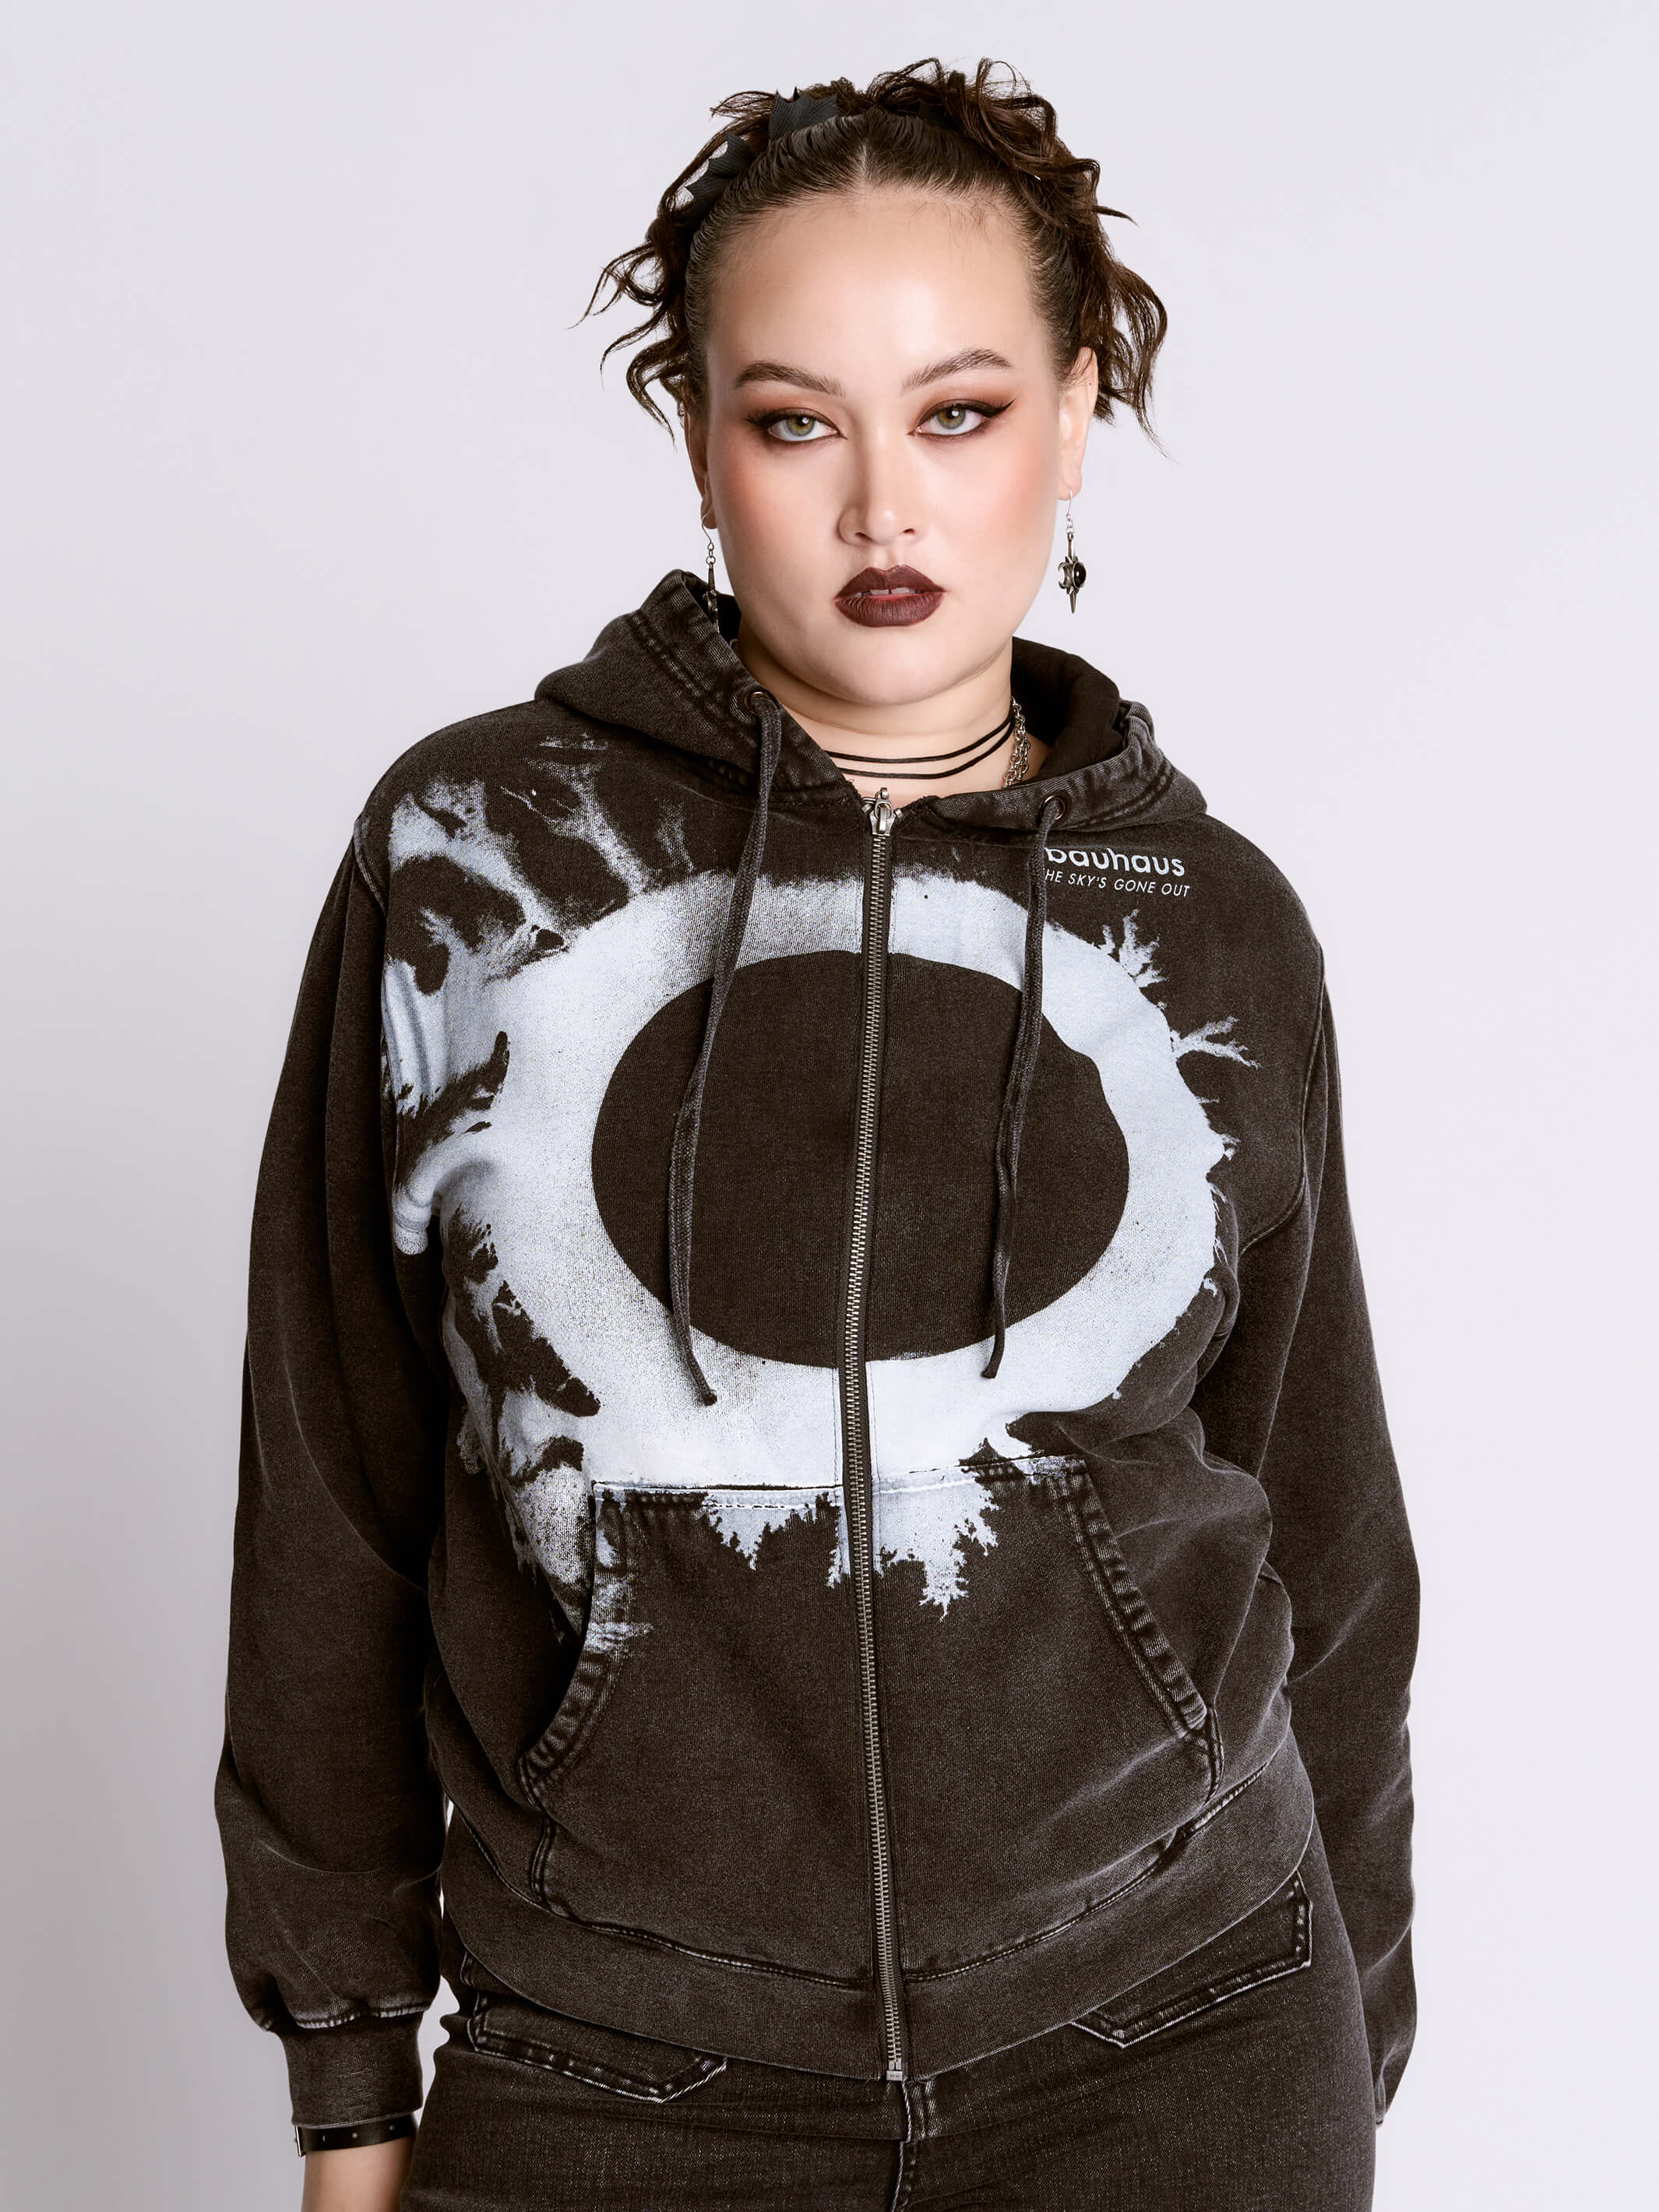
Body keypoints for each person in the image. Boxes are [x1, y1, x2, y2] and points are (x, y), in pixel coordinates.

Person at [217, 58, 1418, 2212]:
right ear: (697, 437)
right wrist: (346, 2078)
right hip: (616, 2067)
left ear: (1075, 414)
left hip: (1182, 2042)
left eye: (958, 413)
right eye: (796, 422)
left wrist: (1359, 2046)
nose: (886, 509)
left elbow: (1320, 1532)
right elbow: (335, 1494)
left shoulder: (1205, 915)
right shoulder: (479, 851)